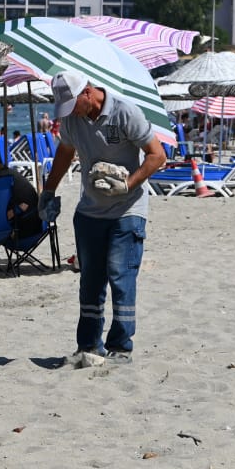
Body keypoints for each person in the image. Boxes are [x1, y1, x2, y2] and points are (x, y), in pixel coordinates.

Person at [39, 71, 165, 367]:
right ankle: (89, 345)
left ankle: (121, 346)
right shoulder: (72, 119)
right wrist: (48, 190)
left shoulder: (125, 112)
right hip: (89, 212)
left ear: (87, 92)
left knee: (121, 276)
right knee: (90, 281)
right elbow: (65, 152)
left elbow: (157, 156)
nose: (69, 114)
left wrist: (128, 184)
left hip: (128, 211)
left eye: (73, 105)